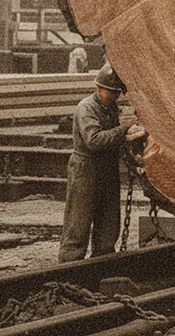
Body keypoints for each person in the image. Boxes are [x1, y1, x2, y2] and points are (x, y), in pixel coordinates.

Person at [58, 62, 147, 262]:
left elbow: (115, 140)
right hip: (86, 168)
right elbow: (94, 140)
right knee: (78, 224)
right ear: (99, 87)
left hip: (107, 168)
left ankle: (103, 261)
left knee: (108, 223)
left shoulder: (111, 109)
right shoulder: (86, 108)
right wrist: (123, 129)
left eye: (117, 93)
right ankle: (69, 266)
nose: (115, 96)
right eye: (112, 92)